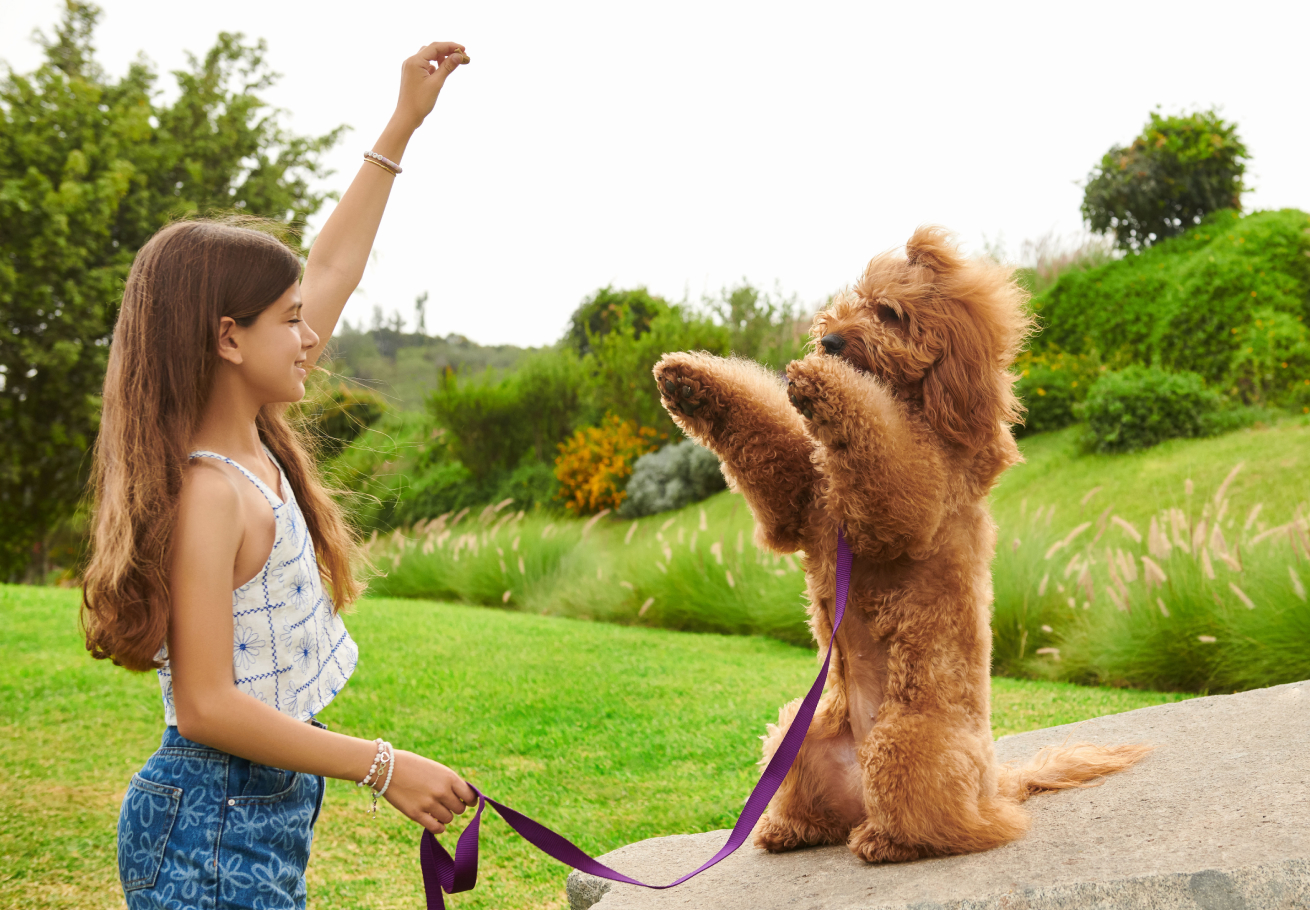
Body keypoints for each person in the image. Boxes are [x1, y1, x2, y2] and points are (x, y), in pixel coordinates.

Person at [80, 41, 476, 910]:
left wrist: (402, 124)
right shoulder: (210, 492)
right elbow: (207, 706)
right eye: (290, 320)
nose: (311, 336)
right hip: (207, 829)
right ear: (228, 339)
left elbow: (330, 267)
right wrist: (384, 767)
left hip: (244, 817)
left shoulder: (253, 433)